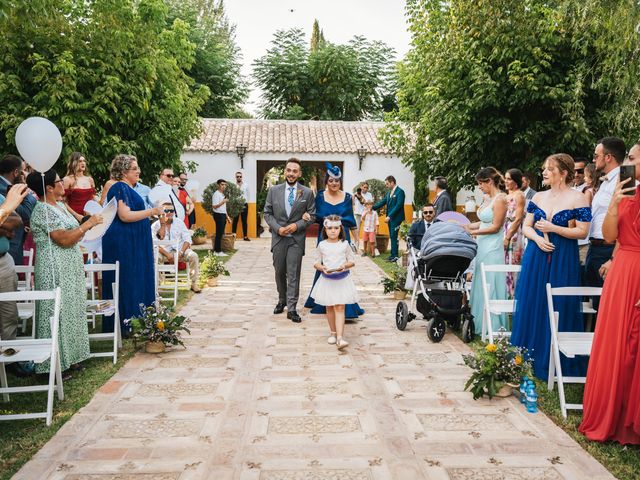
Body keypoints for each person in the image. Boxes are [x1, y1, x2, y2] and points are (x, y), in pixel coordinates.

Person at [510, 154, 591, 380]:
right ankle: (529, 354)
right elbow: (526, 227)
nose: (544, 173)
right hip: (537, 253)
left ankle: (555, 358)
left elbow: (582, 231)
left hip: (563, 255)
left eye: (549, 169)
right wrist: (537, 238)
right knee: (534, 301)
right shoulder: (538, 197)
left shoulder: (579, 199)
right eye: (544, 169)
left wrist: (555, 229)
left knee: (559, 303)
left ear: (563, 173)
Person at [580, 142, 640, 445]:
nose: (626, 163)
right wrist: (616, 202)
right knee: (616, 343)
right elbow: (610, 235)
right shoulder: (626, 194)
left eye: (631, 158)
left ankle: (632, 421)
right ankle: (613, 416)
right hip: (623, 273)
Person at [26, 170, 103, 377]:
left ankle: (72, 357)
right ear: (50, 187)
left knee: (71, 310)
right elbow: (63, 239)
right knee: (56, 312)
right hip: (54, 267)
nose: (64, 184)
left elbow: (76, 226)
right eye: (59, 181)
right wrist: (87, 225)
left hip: (70, 265)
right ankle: (52, 364)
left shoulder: (59, 205)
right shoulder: (42, 210)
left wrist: (90, 221)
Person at [102, 155, 164, 334]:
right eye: (134, 168)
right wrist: (152, 211)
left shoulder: (129, 188)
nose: (139, 171)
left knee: (135, 277)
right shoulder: (120, 187)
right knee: (128, 278)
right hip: (125, 241)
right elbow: (124, 215)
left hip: (134, 239)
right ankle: (129, 322)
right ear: (123, 172)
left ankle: (138, 319)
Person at [304, 163, 364, 319]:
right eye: (331, 180)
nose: (334, 183)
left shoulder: (348, 197)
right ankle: (321, 301)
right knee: (324, 266)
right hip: (324, 236)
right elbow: (314, 217)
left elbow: (351, 222)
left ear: (340, 181)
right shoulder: (320, 196)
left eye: (337, 180)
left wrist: (357, 241)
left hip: (343, 236)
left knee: (341, 267)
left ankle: (346, 306)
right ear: (326, 181)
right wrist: (306, 217)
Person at [263, 158, 316, 323]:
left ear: (299, 173)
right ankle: (282, 300)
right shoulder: (273, 190)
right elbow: (267, 213)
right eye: (289, 170)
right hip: (278, 238)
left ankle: (292, 308)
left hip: (296, 239)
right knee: (279, 272)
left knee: (293, 274)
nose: (291, 173)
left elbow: (312, 216)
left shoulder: (307, 192)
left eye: (295, 171)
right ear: (285, 172)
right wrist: (277, 227)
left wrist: (297, 225)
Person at [585, 137, 625, 317]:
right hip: (594, 248)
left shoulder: (625, 180)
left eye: (596, 156)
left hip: (608, 250)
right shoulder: (606, 182)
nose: (594, 160)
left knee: (606, 307)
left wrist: (613, 259)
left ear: (608, 157)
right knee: (594, 305)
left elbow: (627, 222)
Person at [466, 167, 508, 335]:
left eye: (480, 183)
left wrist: (473, 232)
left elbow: (495, 227)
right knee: (480, 280)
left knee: (490, 281)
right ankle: (477, 323)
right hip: (482, 246)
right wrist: (466, 226)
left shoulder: (500, 199)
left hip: (492, 247)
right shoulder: (486, 198)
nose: (479, 187)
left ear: (489, 181)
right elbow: (483, 222)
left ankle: (494, 325)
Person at [311, 215, 358, 349]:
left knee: (340, 307)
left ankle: (340, 337)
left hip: (342, 280)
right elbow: (316, 262)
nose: (333, 231)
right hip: (327, 280)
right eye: (330, 228)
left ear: (340, 229)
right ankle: (332, 333)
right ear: (325, 229)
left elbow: (352, 260)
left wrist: (345, 265)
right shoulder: (322, 245)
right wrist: (321, 267)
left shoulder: (344, 244)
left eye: (336, 228)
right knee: (329, 306)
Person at [152, 201, 201, 293]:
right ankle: (157, 285)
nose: (170, 212)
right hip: (164, 252)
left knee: (193, 256)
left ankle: (194, 283)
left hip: (180, 251)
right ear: (162, 212)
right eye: (166, 210)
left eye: (172, 210)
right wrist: (167, 254)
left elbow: (187, 239)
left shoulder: (179, 223)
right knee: (155, 258)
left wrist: (181, 252)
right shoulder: (155, 226)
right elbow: (154, 243)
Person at [0, 185, 27, 344]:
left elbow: (16, 221)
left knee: (9, 313)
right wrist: (5, 213)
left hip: (4, 261)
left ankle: (10, 359)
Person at [0, 154, 37, 265]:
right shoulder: (3, 189)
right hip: (9, 248)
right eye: (23, 171)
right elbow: (26, 213)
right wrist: (24, 186)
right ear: (16, 173)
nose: (25, 174)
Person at [503, 168, 526, 297]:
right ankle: (507, 293)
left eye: (509, 179)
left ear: (516, 181)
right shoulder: (506, 196)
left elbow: (518, 219)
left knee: (513, 261)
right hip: (504, 228)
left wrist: (508, 237)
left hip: (514, 232)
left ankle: (515, 295)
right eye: (505, 178)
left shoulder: (519, 195)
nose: (506, 181)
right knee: (504, 261)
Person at [373, 175, 406, 262]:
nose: (386, 185)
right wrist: (372, 207)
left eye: (387, 184)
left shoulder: (400, 192)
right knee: (392, 236)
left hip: (396, 218)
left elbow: (399, 205)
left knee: (394, 236)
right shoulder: (389, 193)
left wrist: (389, 216)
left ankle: (395, 256)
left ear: (392, 182)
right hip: (390, 219)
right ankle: (392, 255)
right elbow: (382, 202)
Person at [62, 152, 96, 216]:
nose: (83, 163)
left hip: (90, 216)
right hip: (73, 217)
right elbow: (63, 202)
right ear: (73, 163)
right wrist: (76, 215)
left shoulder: (90, 179)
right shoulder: (67, 179)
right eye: (80, 161)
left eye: (84, 161)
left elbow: (93, 199)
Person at [211, 179, 231, 256]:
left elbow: (223, 208)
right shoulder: (216, 194)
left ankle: (218, 250)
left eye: (225, 185)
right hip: (218, 215)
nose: (224, 186)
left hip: (222, 215)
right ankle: (217, 251)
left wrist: (227, 217)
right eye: (222, 184)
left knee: (220, 233)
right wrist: (223, 202)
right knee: (219, 233)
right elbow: (214, 206)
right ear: (218, 185)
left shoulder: (222, 194)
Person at [353, 182, 373, 248]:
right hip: (358, 214)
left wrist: (362, 200)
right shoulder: (356, 194)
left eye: (367, 187)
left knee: (369, 230)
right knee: (357, 230)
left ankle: (369, 248)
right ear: (361, 187)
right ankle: (356, 247)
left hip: (366, 214)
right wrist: (355, 196)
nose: (365, 189)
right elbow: (352, 203)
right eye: (364, 187)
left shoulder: (369, 194)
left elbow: (370, 203)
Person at [231, 171, 250, 241]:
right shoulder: (233, 185)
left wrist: (246, 203)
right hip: (236, 204)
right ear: (235, 177)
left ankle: (245, 236)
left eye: (240, 176)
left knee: (244, 221)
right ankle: (233, 236)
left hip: (244, 205)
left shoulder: (246, 185)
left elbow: (248, 194)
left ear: (242, 177)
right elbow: (232, 195)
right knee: (235, 221)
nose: (239, 178)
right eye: (237, 176)